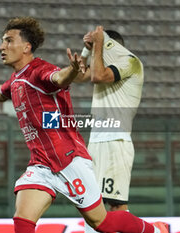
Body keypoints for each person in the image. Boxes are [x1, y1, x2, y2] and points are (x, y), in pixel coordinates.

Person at [0, 17, 168, 233]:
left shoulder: (39, 71)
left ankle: (154, 230)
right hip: (41, 164)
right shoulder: (17, 79)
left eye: (8, 41)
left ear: (26, 47)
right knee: (22, 220)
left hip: (68, 159)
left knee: (101, 222)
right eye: (3, 41)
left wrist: (71, 70)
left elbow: (59, 78)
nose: (2, 46)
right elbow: (1, 92)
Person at [74, 26, 145, 233]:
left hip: (116, 141)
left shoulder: (130, 62)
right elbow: (79, 77)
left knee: (116, 205)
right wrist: (86, 51)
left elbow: (97, 76)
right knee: (90, 205)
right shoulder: (100, 64)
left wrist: (97, 45)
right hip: (96, 142)